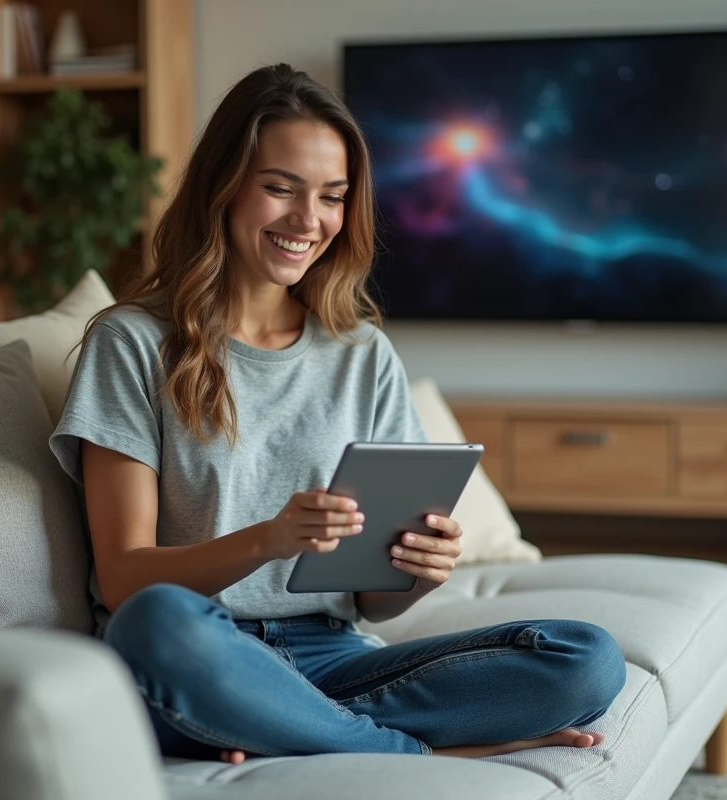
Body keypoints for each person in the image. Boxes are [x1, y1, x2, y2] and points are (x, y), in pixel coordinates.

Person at [49, 63, 626, 763]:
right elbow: (124, 578)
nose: (308, 220)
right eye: (279, 189)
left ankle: (286, 728)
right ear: (223, 188)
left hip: (332, 655)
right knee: (156, 623)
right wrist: (268, 539)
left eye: (332, 196)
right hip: (199, 646)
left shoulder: (363, 354)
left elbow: (372, 602)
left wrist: (416, 571)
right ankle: (408, 752)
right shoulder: (131, 342)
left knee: (587, 658)